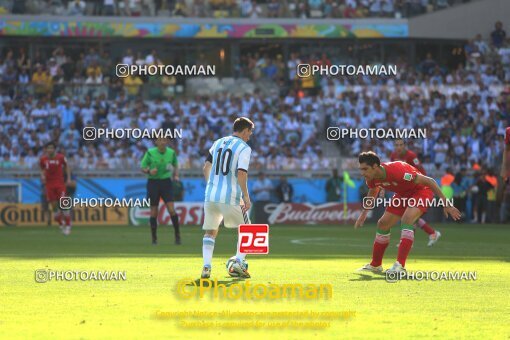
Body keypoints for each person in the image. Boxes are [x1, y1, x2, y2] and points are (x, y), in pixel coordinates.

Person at [354, 152, 460, 273]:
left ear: (375, 166)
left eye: (365, 169)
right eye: (360, 169)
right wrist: (363, 214)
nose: (362, 173)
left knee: (407, 219)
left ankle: (400, 266)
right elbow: (373, 192)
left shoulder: (398, 171)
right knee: (382, 224)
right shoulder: (371, 178)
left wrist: (446, 204)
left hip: (421, 191)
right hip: (402, 194)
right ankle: (375, 265)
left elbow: (430, 181)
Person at [201, 117, 254, 279]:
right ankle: (238, 262)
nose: (250, 136)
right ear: (245, 130)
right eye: (250, 133)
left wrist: (212, 185)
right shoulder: (244, 148)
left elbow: (206, 167)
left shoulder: (217, 143)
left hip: (211, 195)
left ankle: (206, 267)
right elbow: (241, 173)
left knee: (210, 232)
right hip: (230, 196)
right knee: (248, 230)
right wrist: (245, 195)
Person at [391, 139, 441, 246]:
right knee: (410, 216)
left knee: (408, 215)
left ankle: (409, 240)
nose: (398, 147)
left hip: (417, 189)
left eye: (400, 145)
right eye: (396, 145)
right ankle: (431, 233)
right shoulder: (393, 156)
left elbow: (421, 172)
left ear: (405, 146)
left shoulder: (412, 156)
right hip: (404, 190)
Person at [140, 137, 181, 245]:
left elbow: (175, 165)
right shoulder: (150, 152)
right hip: (153, 183)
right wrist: (149, 171)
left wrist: (176, 175)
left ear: (167, 142)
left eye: (164, 140)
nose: (162, 142)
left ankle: (177, 236)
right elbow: (143, 167)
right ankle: (154, 239)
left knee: (171, 209)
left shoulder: (171, 153)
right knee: (154, 211)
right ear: (156, 142)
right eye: (160, 140)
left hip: (166, 182)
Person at [39, 142, 72, 235]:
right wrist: (42, 175)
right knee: (54, 207)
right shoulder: (43, 159)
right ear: (46, 149)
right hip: (49, 185)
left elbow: (67, 167)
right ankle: (61, 223)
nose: (49, 150)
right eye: (48, 148)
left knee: (64, 204)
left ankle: (68, 225)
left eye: (51, 148)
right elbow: (42, 169)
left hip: (59, 184)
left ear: (54, 149)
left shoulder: (61, 157)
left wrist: (68, 178)